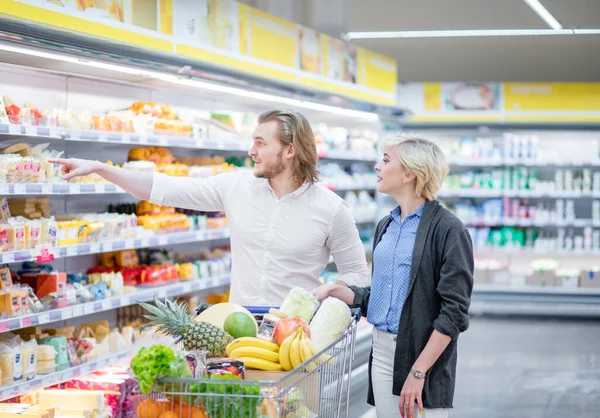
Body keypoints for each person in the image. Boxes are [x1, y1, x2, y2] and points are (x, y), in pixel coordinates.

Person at [51, 109, 370, 305]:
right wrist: (99, 167)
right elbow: (162, 188)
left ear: (289, 151)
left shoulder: (332, 209)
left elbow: (357, 272)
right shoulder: (236, 186)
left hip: (299, 338)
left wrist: (332, 295)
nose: (251, 150)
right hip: (240, 331)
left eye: (261, 142)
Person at [312, 136, 474, 418]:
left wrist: (419, 371)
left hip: (421, 354)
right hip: (383, 350)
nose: (377, 167)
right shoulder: (386, 225)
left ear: (410, 172)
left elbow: (454, 313)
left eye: (386, 160)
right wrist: (340, 292)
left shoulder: (449, 230)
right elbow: (385, 295)